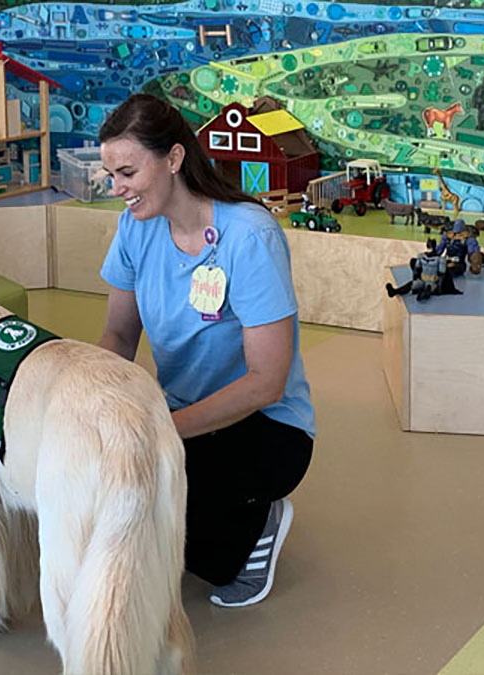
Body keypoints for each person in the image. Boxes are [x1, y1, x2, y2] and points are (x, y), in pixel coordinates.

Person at [95, 94, 316, 608]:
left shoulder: (249, 236)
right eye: (111, 175)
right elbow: (118, 337)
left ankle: (264, 518)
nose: (117, 189)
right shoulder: (135, 227)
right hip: (180, 413)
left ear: (173, 159)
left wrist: (157, 433)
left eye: (127, 172)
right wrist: (92, 402)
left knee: (197, 556)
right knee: (122, 494)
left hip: (267, 425)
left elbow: (267, 381)